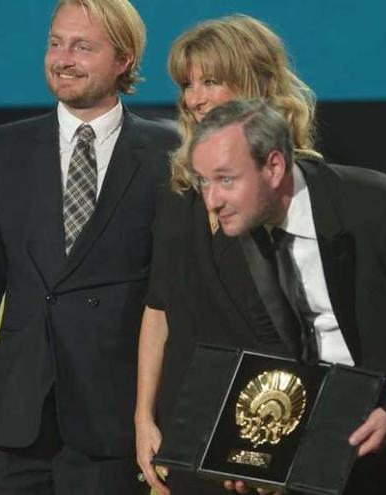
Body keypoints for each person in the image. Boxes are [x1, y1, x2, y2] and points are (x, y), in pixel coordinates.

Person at [0, 0, 178, 493]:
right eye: (55, 43)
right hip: (12, 419)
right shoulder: (9, 147)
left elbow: (172, 295)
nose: (62, 58)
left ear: (124, 59)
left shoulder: (167, 154)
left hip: (110, 423)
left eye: (82, 46)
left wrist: (156, 413)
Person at [142, 96, 386, 495]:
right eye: (203, 181)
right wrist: (251, 450)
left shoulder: (382, 209)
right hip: (320, 441)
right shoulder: (244, 229)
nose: (212, 200)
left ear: (274, 166)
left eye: (226, 179)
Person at [135, 15, 323, 494]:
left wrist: (285, 442)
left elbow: (317, 329)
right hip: (181, 424)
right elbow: (159, 310)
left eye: (210, 81)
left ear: (255, 82)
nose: (193, 98)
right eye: (187, 84)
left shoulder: (295, 190)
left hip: (265, 421)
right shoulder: (178, 189)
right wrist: (143, 417)